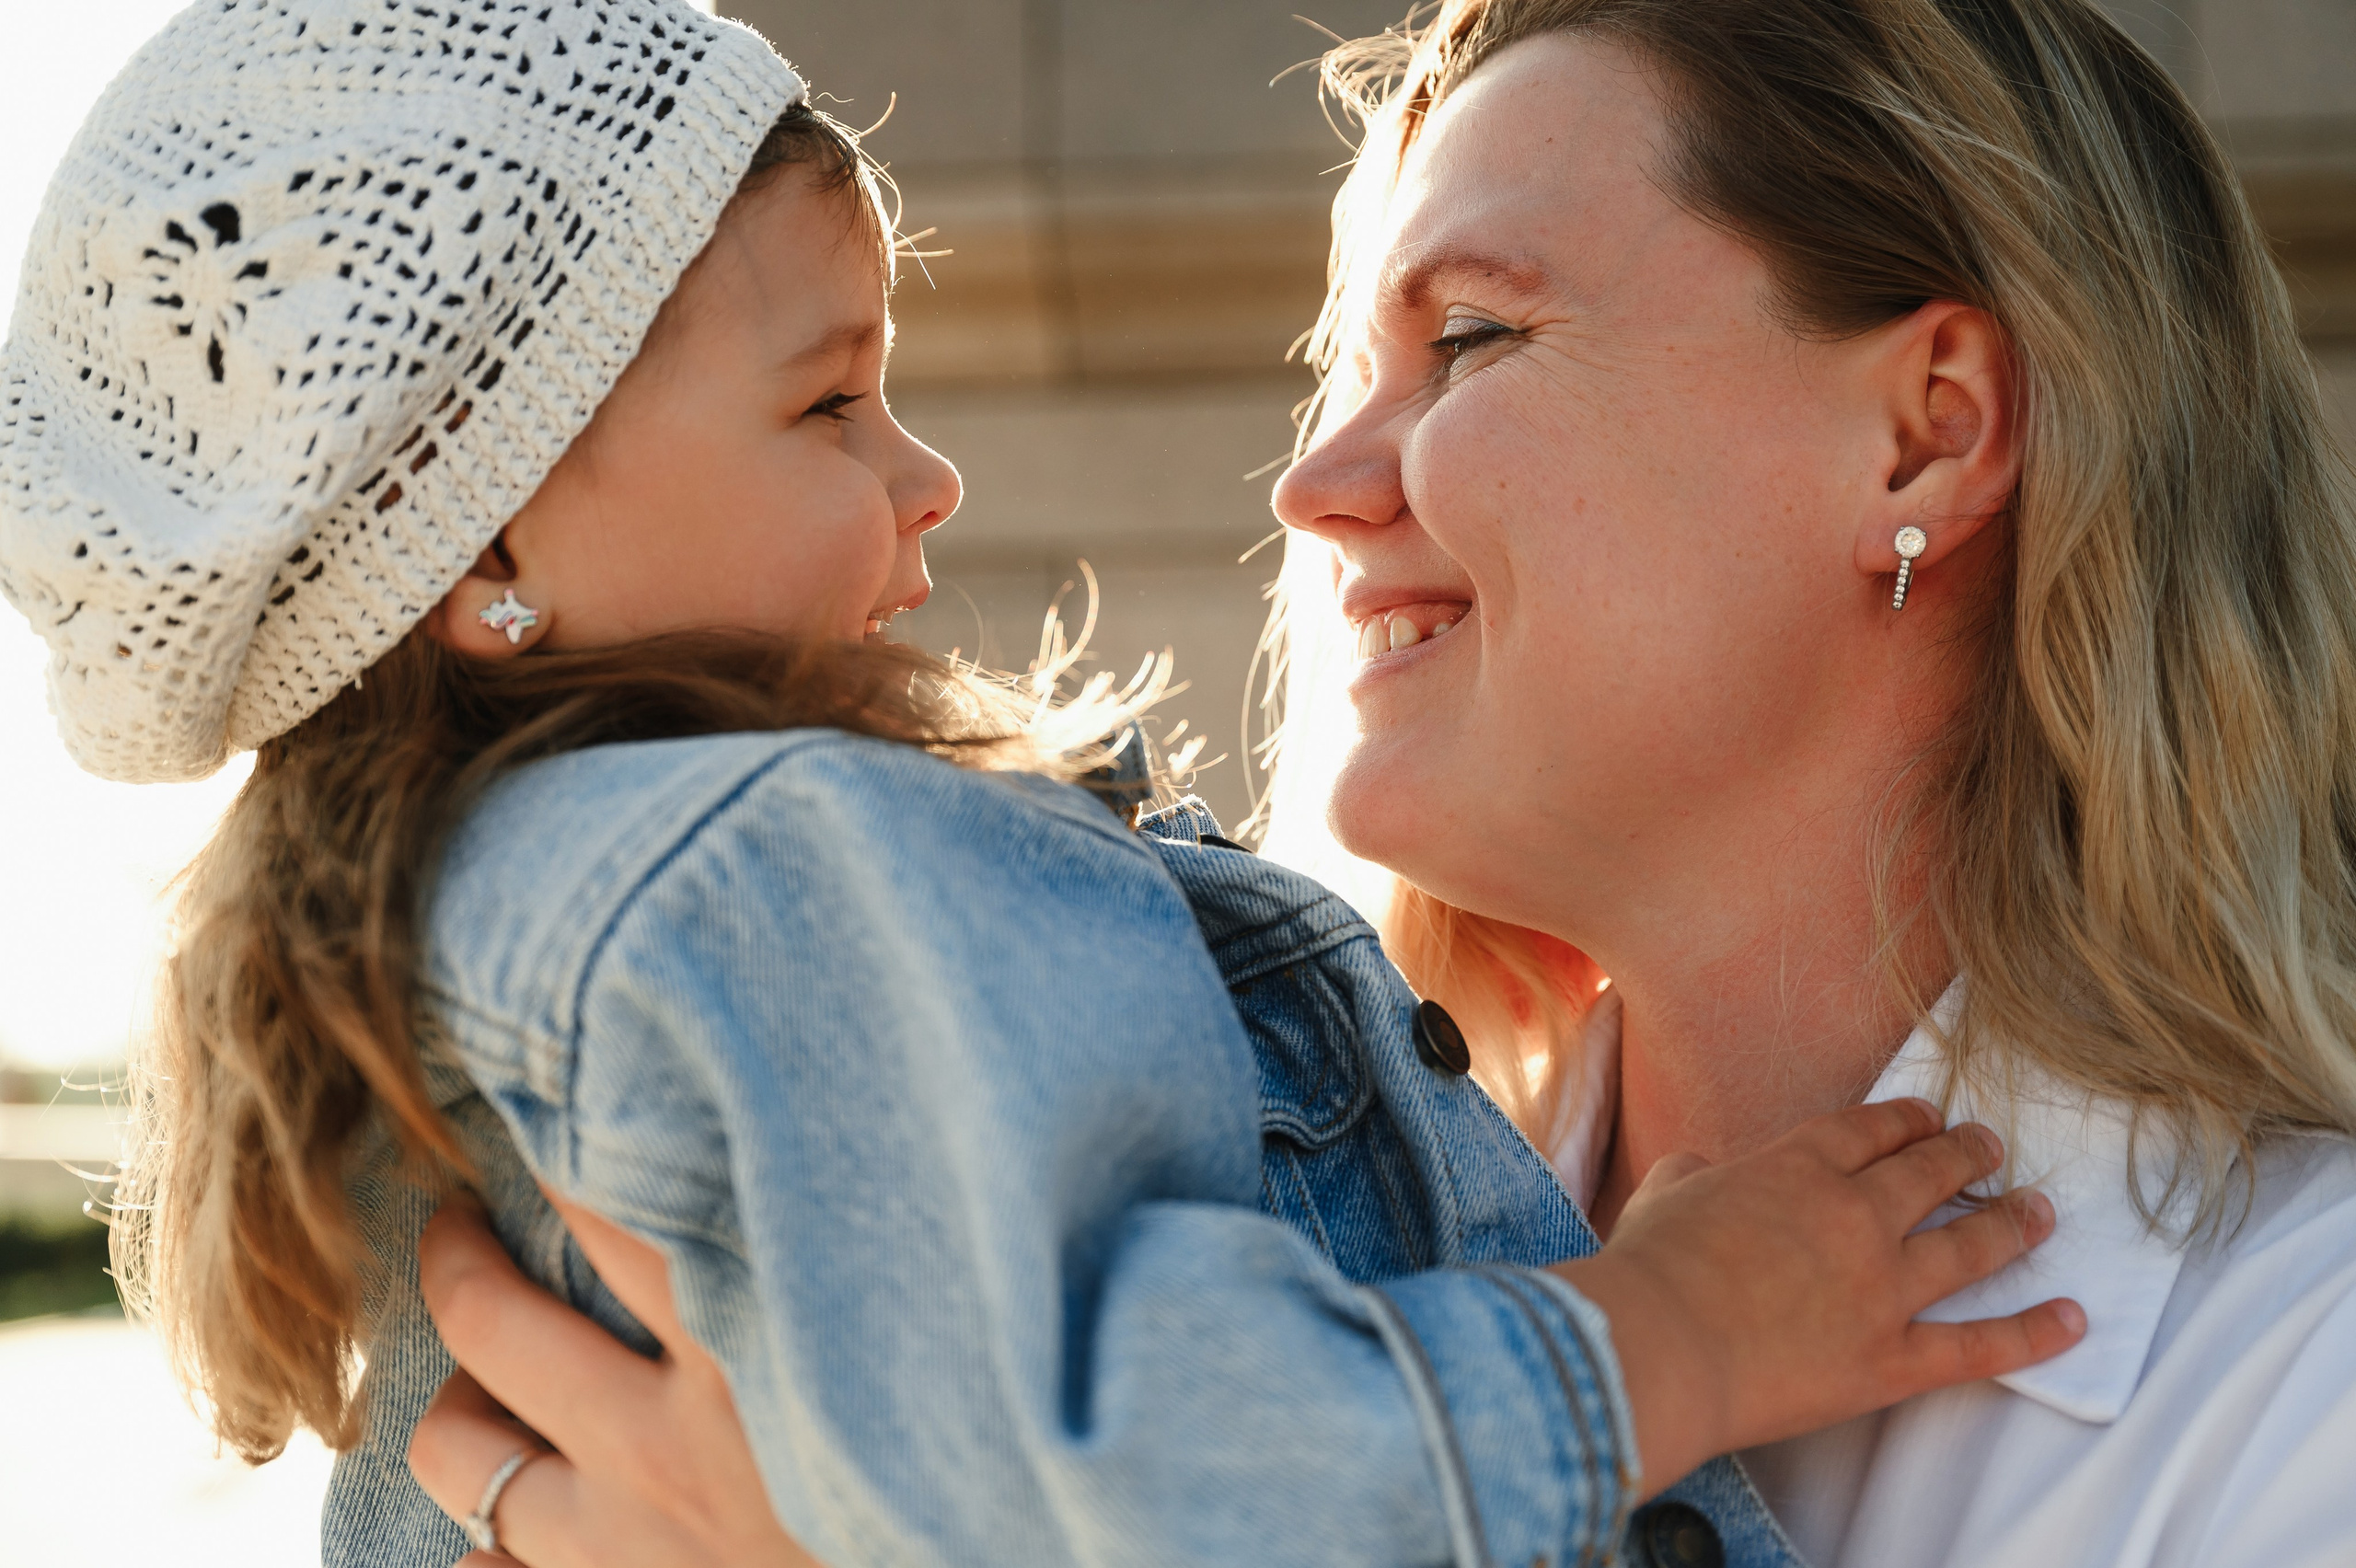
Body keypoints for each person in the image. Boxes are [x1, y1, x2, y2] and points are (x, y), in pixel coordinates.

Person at [0, 4, 2070, 1568]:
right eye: (827, 401)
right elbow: (1115, 1466)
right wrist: (1668, 1333)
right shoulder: (756, 875)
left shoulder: (477, 935)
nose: (927, 478)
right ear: (483, 539)